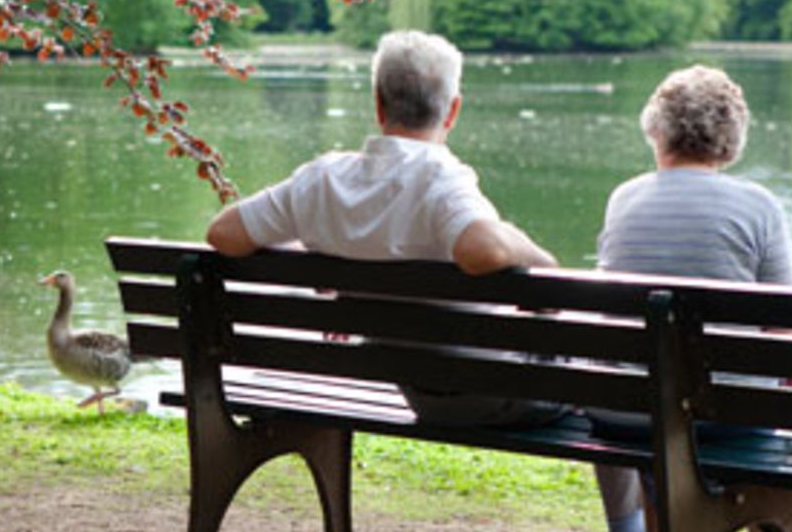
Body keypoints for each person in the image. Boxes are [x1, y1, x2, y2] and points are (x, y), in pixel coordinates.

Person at [205, 29, 563, 430]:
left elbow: (224, 233)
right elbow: (483, 252)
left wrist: (322, 250)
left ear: (377, 105)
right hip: (494, 395)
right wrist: (541, 259)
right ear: (453, 110)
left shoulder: (323, 180)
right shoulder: (440, 178)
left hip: (417, 393)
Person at [595, 64, 792, 532]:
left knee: (656, 394)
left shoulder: (624, 199)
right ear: (730, 142)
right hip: (727, 413)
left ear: (656, 131)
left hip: (630, 412)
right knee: (757, 387)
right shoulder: (758, 207)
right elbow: (784, 329)